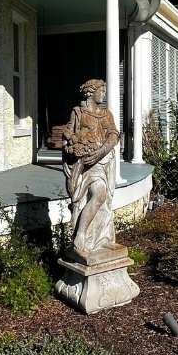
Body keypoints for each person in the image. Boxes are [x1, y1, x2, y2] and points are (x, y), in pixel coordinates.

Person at [62, 78, 119, 261]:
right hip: (88, 165)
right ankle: (80, 236)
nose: (103, 94)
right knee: (99, 194)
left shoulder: (106, 114)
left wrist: (101, 152)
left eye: (104, 91)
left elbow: (114, 135)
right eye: (101, 90)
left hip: (104, 161)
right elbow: (68, 134)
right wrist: (72, 143)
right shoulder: (78, 112)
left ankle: (100, 239)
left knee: (105, 201)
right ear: (90, 92)